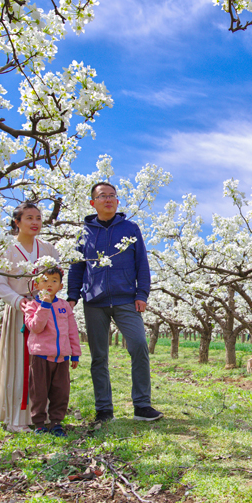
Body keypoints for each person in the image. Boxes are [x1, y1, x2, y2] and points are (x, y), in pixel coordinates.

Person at [67, 181, 162, 423]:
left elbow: (142, 263)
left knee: (139, 345)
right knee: (99, 356)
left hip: (126, 299)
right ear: (93, 203)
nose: (108, 199)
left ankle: (142, 405)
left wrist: (142, 295)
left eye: (112, 196)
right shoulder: (83, 233)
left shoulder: (130, 228)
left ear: (117, 201)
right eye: (102, 196)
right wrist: (72, 297)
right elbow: (77, 267)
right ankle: (104, 410)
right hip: (94, 301)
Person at [0, 201, 60, 432]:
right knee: (20, 362)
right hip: (19, 309)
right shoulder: (5, 249)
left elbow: (57, 278)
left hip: (44, 309)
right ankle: (18, 417)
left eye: (38, 218)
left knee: (42, 363)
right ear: (17, 222)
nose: (35, 222)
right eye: (29, 218)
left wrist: (46, 299)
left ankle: (43, 415)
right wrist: (20, 301)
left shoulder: (49, 249)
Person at [23, 267, 80, 438]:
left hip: (61, 358)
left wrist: (75, 353)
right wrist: (45, 305)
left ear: (61, 286)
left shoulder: (64, 306)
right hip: (40, 356)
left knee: (61, 392)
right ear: (36, 284)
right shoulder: (32, 305)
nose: (49, 284)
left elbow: (72, 331)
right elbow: (35, 327)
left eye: (54, 281)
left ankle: (56, 422)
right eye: (45, 280)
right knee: (38, 392)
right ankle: (39, 423)